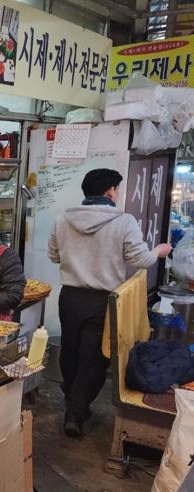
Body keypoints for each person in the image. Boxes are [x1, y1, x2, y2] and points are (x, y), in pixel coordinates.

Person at [48, 168, 172, 438]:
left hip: (70, 297)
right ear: (110, 192)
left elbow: (53, 255)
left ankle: (73, 398)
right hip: (103, 300)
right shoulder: (124, 221)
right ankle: (75, 412)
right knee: (94, 356)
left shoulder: (63, 219)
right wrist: (158, 251)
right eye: (117, 189)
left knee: (70, 350)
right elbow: (140, 260)